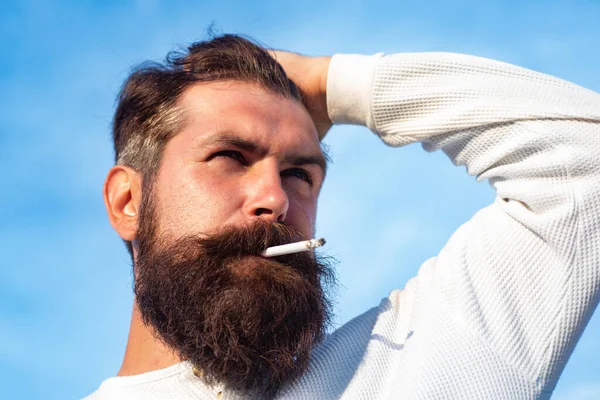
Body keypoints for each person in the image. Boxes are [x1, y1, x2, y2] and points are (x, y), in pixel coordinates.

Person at [85, 34, 600, 400]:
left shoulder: (417, 361)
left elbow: (587, 161)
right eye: (230, 158)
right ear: (128, 202)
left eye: (299, 174)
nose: (275, 200)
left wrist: (335, 85)